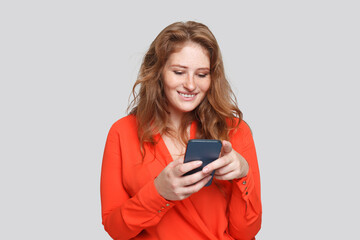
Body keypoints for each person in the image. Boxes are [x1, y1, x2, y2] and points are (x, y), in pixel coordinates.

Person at [100, 21, 262, 240]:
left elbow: (246, 232)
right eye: (179, 72)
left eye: (202, 74)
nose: (191, 85)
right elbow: (116, 230)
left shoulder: (235, 131)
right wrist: (158, 193)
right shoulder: (122, 132)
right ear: (158, 73)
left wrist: (244, 175)